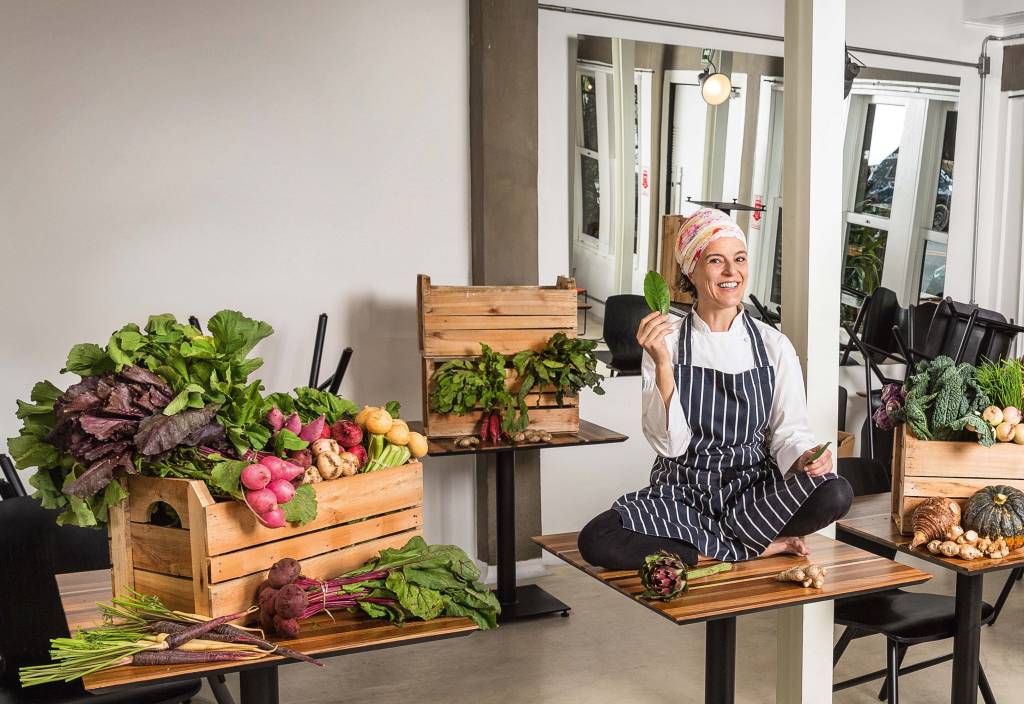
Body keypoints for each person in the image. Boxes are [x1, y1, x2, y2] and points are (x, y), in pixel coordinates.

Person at [578, 208, 852, 569]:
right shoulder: (666, 342)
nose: (731, 272)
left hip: (753, 497)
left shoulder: (774, 345)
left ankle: (723, 541)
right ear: (692, 270)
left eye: (739, 259)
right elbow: (669, 445)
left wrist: (804, 457)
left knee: (836, 492)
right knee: (597, 540)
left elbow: (790, 433)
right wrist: (662, 363)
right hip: (683, 494)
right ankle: (752, 545)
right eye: (716, 261)